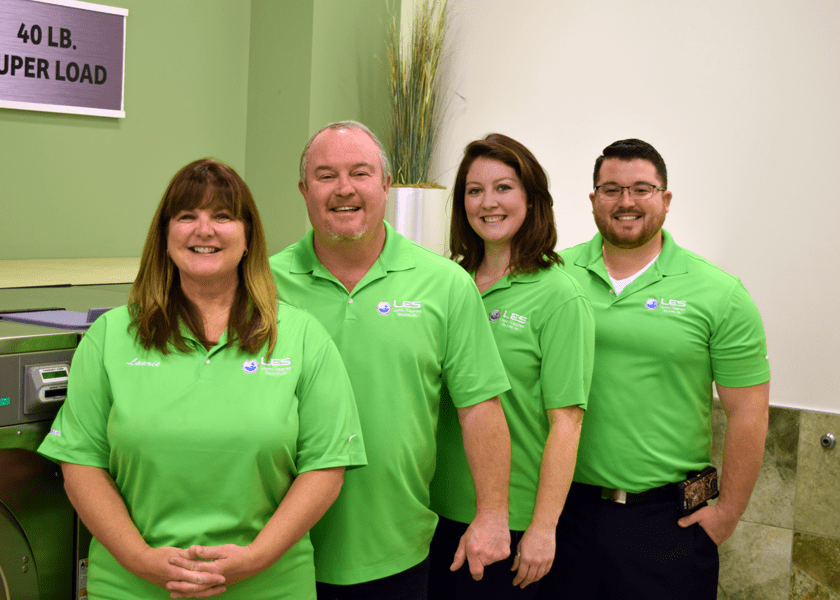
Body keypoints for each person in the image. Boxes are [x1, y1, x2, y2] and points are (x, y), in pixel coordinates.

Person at [37, 158, 366, 600]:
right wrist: (140, 560)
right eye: (187, 216)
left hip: (268, 585)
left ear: (249, 237)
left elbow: (326, 466)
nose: (204, 230)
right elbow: (80, 463)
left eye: (223, 216)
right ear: (166, 237)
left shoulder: (302, 337)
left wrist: (255, 558)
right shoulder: (111, 336)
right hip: (132, 586)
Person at [270, 121, 512, 600]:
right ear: (303, 190)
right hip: (278, 549)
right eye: (325, 175)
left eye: (360, 173)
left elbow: (480, 407)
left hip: (397, 549)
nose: (344, 189)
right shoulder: (261, 284)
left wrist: (492, 515)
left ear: (385, 184)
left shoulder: (444, 285)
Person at [536, 139, 771, 599]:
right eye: (611, 189)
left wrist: (727, 515)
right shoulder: (553, 276)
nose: (626, 201)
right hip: (566, 516)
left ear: (665, 198)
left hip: (670, 523)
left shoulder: (719, 292)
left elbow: (749, 413)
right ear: (592, 200)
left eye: (642, 188)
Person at [428, 133, 594, 599]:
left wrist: (543, 529)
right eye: (474, 190)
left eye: (504, 187)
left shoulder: (559, 294)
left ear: (532, 198)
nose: (488, 202)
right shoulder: (449, 284)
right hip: (432, 513)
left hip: (511, 525)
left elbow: (567, 423)